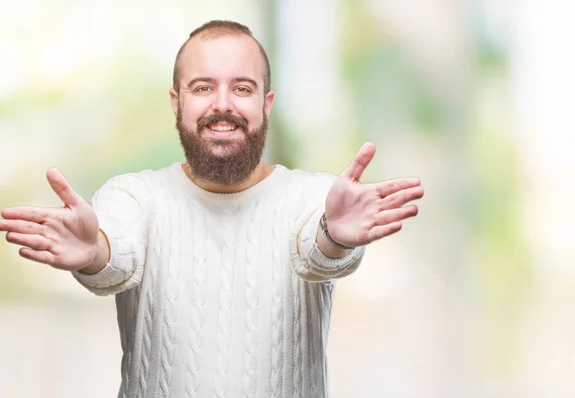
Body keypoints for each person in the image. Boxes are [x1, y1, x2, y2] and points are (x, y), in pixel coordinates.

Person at [0, 20, 424, 398]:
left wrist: (333, 236)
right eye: (203, 87)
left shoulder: (315, 195)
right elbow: (118, 257)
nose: (223, 105)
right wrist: (94, 253)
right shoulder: (132, 195)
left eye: (242, 88)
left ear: (266, 103)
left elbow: (318, 255)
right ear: (176, 101)